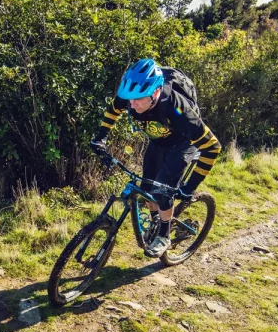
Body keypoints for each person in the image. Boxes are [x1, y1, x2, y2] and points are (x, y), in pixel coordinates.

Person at [90, 58, 222, 258]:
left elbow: (213, 147)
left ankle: (164, 235)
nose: (132, 106)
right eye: (130, 100)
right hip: (159, 142)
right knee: (147, 188)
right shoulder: (131, 96)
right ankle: (156, 219)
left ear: (155, 93)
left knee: (162, 190)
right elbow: (113, 111)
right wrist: (100, 138)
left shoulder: (178, 110)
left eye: (137, 100)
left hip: (183, 144)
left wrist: (190, 187)